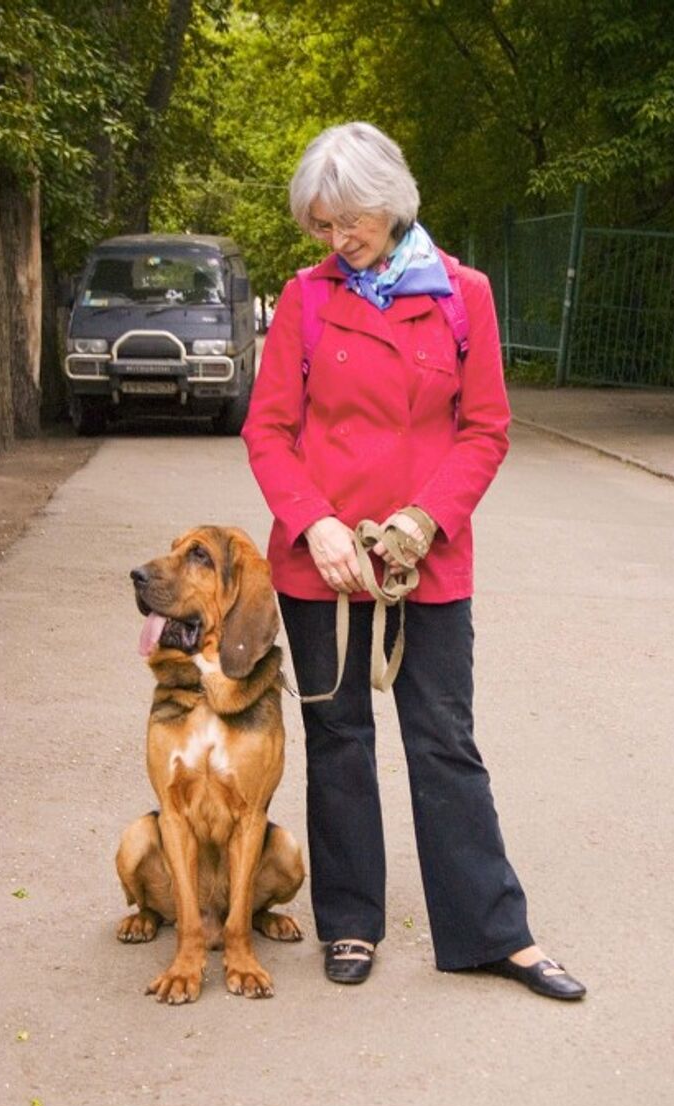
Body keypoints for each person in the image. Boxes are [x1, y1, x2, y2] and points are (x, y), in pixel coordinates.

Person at [243, 122, 585, 1000]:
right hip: (322, 564)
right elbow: (269, 431)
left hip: (428, 559)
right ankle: (350, 921)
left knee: (444, 740)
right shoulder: (307, 299)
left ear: (389, 200)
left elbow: (486, 427)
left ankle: (492, 931)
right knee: (340, 738)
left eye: (346, 220)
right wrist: (314, 524)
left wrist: (428, 518)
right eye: (320, 225)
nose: (334, 239)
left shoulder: (464, 293)